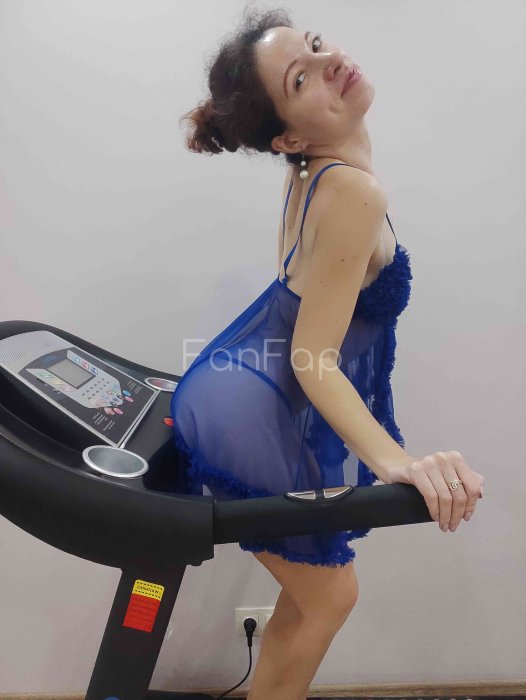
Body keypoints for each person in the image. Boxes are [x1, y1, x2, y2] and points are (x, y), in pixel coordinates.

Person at [171, 7, 485, 699]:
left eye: (315, 45)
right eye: (301, 77)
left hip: (246, 384)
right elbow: (313, 357)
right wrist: (398, 463)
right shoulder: (349, 190)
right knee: (330, 596)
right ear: (288, 135)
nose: (329, 61)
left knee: (316, 598)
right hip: (244, 406)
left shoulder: (317, 172)